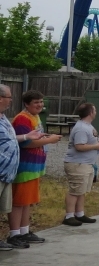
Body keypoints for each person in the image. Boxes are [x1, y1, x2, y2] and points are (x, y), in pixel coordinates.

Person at [9, 90, 61, 248]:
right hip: (24, 166)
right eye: (36, 102)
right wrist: (49, 141)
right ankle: (14, 234)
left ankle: (24, 231)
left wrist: (45, 138)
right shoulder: (22, 119)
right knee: (18, 201)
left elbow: (36, 137)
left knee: (27, 201)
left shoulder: (35, 117)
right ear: (26, 104)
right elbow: (26, 143)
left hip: (34, 167)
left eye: (41, 102)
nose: (40, 105)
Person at [0, 84, 36, 252]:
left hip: (6, 173)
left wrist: (27, 136)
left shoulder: (3, 117)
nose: (11, 101)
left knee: (3, 207)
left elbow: (11, 138)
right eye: (9, 97)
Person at [63, 102, 99, 226]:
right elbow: (79, 146)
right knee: (75, 190)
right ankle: (69, 215)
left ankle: (79, 213)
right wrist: (96, 146)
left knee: (82, 190)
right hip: (77, 164)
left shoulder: (87, 126)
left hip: (86, 164)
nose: (96, 113)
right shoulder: (81, 128)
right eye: (95, 110)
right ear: (90, 113)